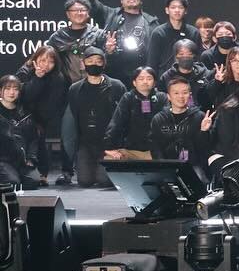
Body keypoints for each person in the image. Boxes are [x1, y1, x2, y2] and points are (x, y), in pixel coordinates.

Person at [82, 0, 157, 79]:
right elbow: (86, 1)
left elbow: (155, 54)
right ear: (121, 0)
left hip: (141, 76)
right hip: (111, 73)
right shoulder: (109, 14)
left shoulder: (151, 22)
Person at [67, 45, 125, 187]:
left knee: (104, 181)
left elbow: (124, 116)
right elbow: (74, 117)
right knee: (84, 181)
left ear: (104, 64)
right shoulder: (75, 89)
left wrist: (119, 146)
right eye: (90, 61)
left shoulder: (117, 86)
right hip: (86, 144)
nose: (94, 64)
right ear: (83, 64)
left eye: (98, 61)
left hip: (109, 143)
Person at [16, 45, 69, 183]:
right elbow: (24, 98)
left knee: (53, 131)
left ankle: (53, 173)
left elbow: (55, 103)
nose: (46, 65)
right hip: (24, 115)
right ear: (35, 59)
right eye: (43, 60)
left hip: (48, 117)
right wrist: (37, 78)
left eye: (51, 62)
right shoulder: (25, 71)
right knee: (33, 131)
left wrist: (44, 123)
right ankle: (29, 169)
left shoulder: (58, 77)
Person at [103, 67, 161, 160]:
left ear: (154, 83)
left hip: (155, 150)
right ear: (134, 82)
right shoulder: (128, 97)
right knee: (109, 158)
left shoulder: (161, 98)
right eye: (141, 79)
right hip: (130, 149)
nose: (145, 82)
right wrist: (108, 147)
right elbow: (117, 122)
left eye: (149, 78)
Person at [49, 0, 105, 84]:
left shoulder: (99, 34)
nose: (79, 13)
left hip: (95, 84)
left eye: (82, 10)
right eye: (74, 10)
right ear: (68, 14)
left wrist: (110, 50)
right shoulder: (58, 37)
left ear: (88, 13)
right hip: (66, 86)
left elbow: (108, 61)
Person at [147, 0, 201, 71]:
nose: (177, 10)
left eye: (180, 7)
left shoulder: (194, 32)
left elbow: (198, 60)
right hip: (164, 76)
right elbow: (152, 62)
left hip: (189, 76)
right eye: (173, 7)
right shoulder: (159, 32)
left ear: (185, 10)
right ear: (167, 10)